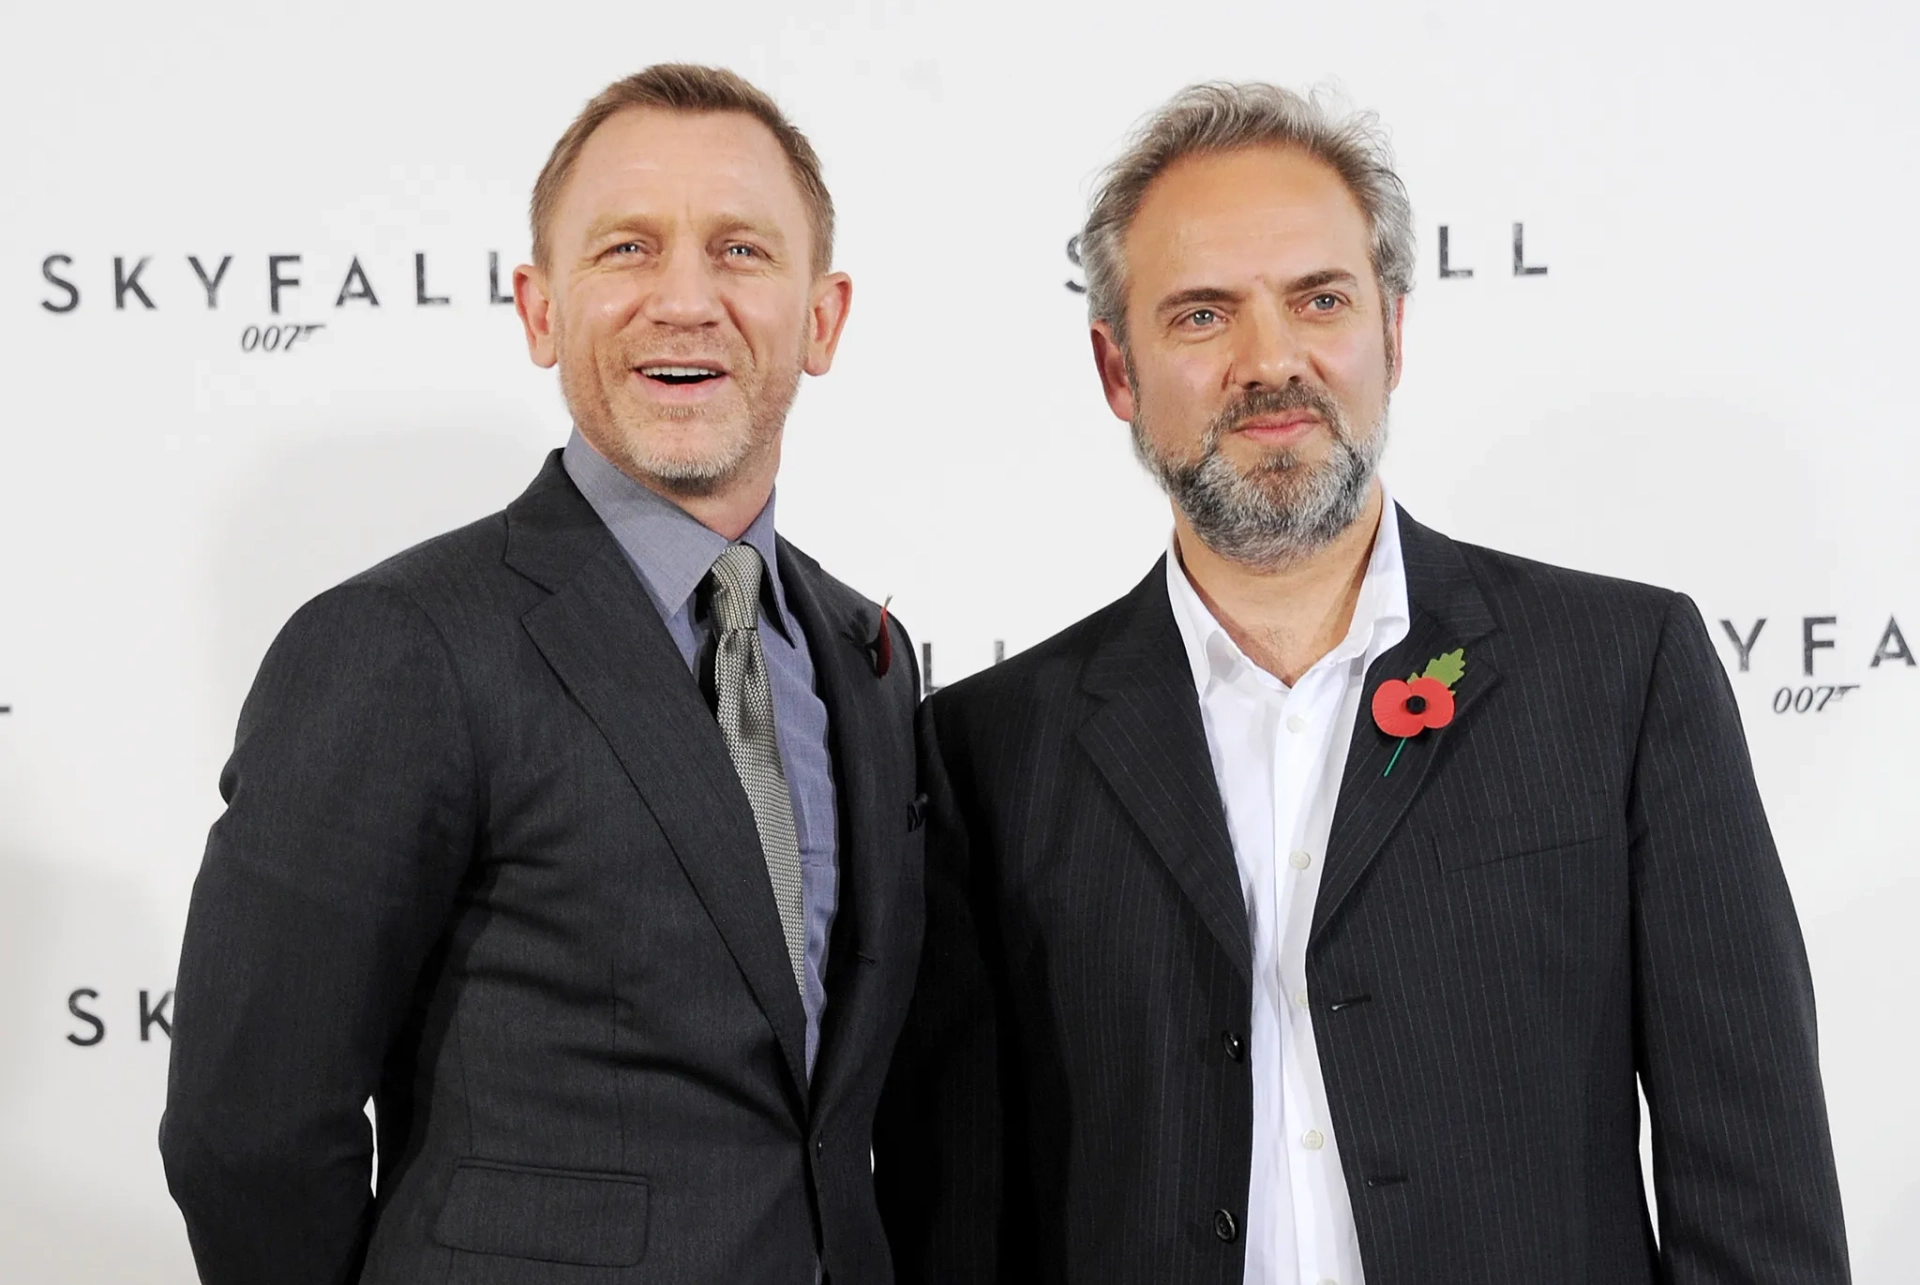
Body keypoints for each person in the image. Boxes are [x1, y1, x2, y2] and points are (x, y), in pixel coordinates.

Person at [874, 82, 1849, 1285]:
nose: (1270, 360)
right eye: (1200, 315)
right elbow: (953, 1220)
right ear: (1115, 370)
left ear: (1392, 330)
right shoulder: (983, 749)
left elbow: (1754, 1185)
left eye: (1319, 299)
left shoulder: (1622, 675)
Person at [161, 64, 925, 1285]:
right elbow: (245, 1135)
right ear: (539, 310)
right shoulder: (402, 643)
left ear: (821, 319)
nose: (685, 299)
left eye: (740, 251)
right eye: (627, 248)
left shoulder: (862, 656)